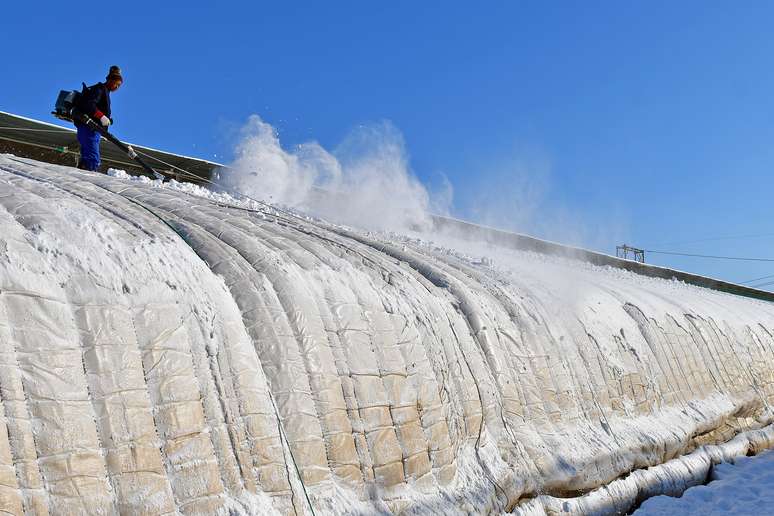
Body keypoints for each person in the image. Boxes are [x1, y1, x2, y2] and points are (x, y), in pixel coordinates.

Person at [74, 65, 123, 171]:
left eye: (119, 86)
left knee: (87, 158)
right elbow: (89, 104)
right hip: (89, 128)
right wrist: (101, 116)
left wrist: (106, 120)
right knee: (93, 159)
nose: (117, 87)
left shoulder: (105, 92)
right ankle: (90, 177)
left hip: (92, 130)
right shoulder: (99, 89)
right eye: (116, 84)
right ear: (110, 80)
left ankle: (83, 174)